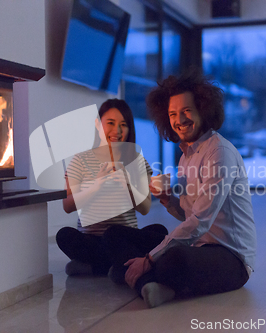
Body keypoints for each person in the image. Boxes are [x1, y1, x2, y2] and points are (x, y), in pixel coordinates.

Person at [103, 70, 257, 308]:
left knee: (172, 258)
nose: (179, 119)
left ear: (202, 110)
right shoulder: (186, 156)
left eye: (186, 111)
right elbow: (187, 214)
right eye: (173, 113)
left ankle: (139, 276)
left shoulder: (219, 152)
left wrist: (150, 258)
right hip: (197, 245)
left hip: (229, 257)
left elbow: (201, 221)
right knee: (115, 234)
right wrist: (167, 200)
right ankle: (152, 284)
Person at [56, 99, 167, 276]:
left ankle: (95, 267)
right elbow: (67, 206)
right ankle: (118, 266)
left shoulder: (136, 160)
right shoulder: (80, 160)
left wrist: (127, 184)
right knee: (64, 235)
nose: (117, 130)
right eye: (110, 123)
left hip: (122, 237)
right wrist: (97, 185)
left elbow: (145, 208)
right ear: (97, 124)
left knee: (160, 232)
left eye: (124, 124)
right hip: (92, 240)